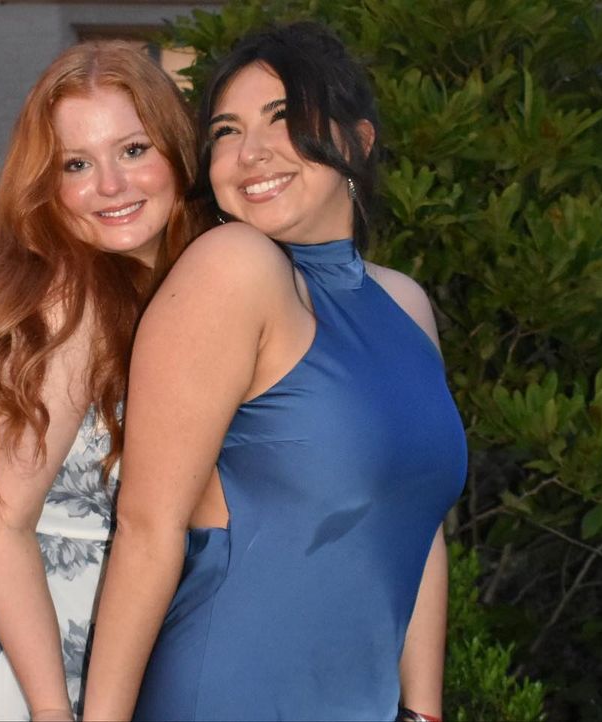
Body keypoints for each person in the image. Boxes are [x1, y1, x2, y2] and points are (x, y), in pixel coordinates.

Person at [83, 22, 467, 722]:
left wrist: (422, 711)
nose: (250, 151)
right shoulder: (233, 268)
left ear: (358, 139)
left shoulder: (406, 304)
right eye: (226, 131)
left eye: (283, 116)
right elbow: (146, 528)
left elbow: (418, 527)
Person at [0, 41, 205, 721]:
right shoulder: (64, 305)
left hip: (147, 643)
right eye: (76, 164)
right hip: (49, 655)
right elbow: (0, 525)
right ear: (46, 185)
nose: (110, 185)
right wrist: (54, 709)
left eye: (133, 150)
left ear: (177, 150)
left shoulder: (188, 285)